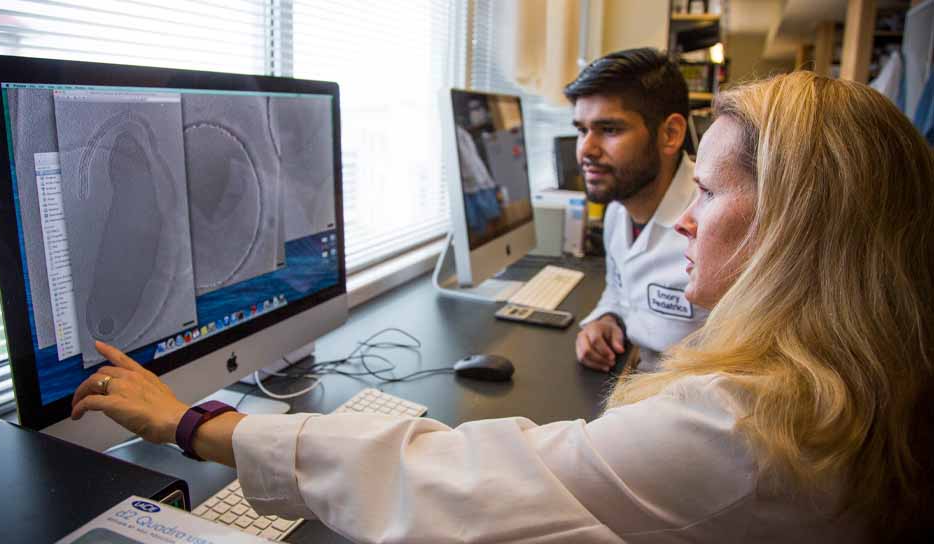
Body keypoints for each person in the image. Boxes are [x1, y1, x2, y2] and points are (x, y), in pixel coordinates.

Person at [72, 72, 934, 542]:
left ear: (796, 229)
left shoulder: (748, 423)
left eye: (707, 192)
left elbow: (449, 482)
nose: (688, 218)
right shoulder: (857, 377)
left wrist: (193, 426)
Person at [565, 48, 707, 373]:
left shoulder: (716, 223)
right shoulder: (619, 207)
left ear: (670, 134)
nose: (586, 149)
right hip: (637, 386)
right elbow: (620, 287)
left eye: (610, 130)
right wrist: (607, 317)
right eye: (581, 130)